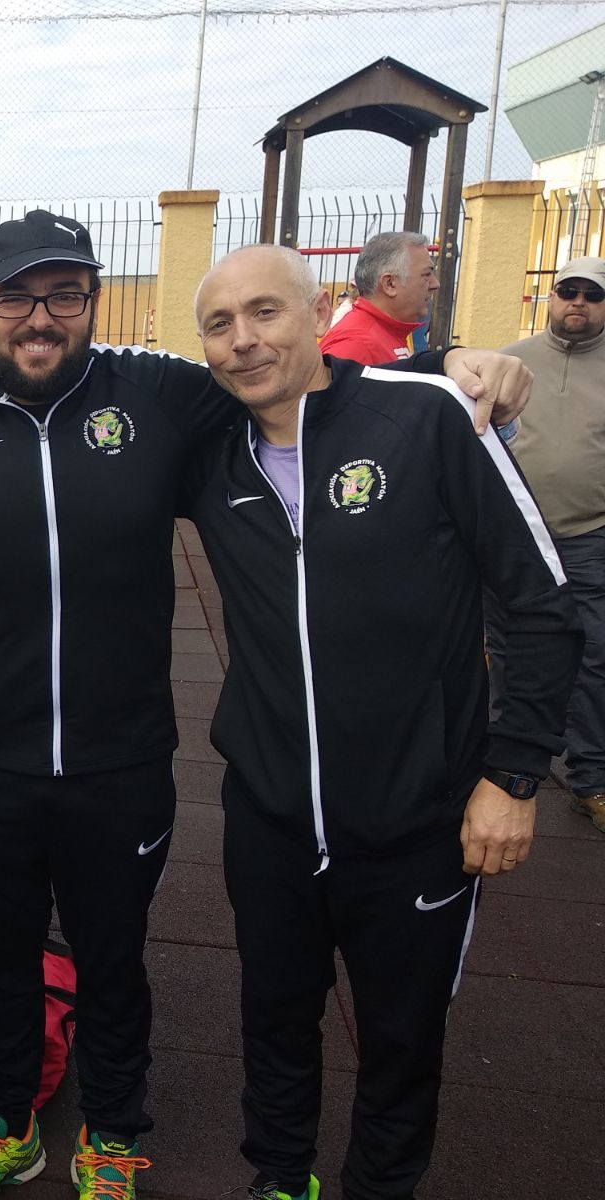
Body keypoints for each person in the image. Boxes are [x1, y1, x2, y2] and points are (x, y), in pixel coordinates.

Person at [0, 210, 532, 1200]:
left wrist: (454, 365)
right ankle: (5, 1124)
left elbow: (301, 383)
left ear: (93, 302)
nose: (40, 316)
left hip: (124, 759)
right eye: (17, 298)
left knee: (112, 961)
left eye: (64, 294)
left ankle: (111, 1131)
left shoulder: (158, 393)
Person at [188, 244, 579, 1200]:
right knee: (274, 1016)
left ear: (319, 309)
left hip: (417, 821)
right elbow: (91, 382)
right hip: (271, 818)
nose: (244, 342)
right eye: (219, 325)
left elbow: (541, 605)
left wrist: (514, 775)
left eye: (266, 313)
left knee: (402, 1038)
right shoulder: (208, 450)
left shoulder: (429, 418)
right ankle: (280, 1176)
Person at [495, 256, 605, 833]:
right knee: (503, 653)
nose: (578, 302)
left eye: (593, 294)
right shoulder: (511, 361)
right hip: (513, 538)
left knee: (593, 657)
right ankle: (494, 770)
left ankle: (591, 780)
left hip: (588, 537)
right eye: (568, 290)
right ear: (553, 296)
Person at [319, 231, 439, 365]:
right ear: (390, 284)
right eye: (426, 275)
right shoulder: (355, 346)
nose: (435, 284)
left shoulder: (386, 333)